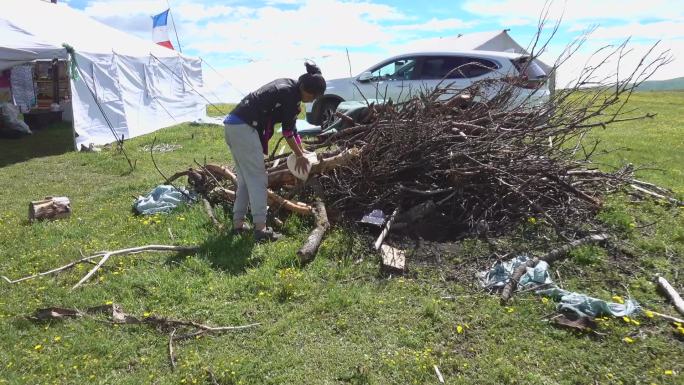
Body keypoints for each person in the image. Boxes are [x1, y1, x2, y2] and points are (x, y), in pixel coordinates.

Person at [223, 62, 326, 242]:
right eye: (314, 96)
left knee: (246, 181)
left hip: (233, 127)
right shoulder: (289, 94)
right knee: (257, 179)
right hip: (244, 128)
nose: (313, 100)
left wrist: (302, 150)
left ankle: (238, 225)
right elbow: (287, 133)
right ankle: (261, 229)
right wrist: (300, 157)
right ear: (308, 91)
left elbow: (292, 129)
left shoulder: (290, 88)